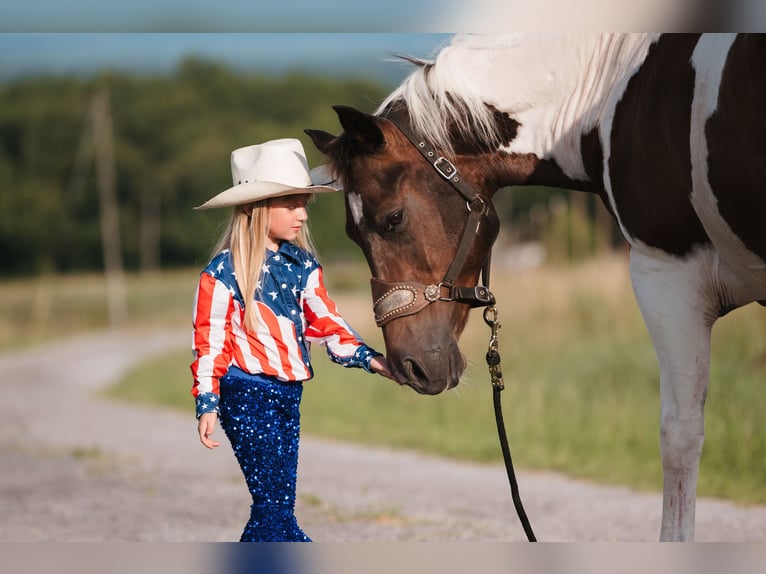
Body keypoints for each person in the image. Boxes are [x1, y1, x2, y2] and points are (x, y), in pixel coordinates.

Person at [190, 138, 392, 542]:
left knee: (275, 507)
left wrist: (373, 360)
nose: (302, 214)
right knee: (274, 507)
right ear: (253, 206)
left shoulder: (304, 266)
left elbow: (327, 324)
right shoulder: (222, 273)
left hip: (289, 396)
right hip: (245, 394)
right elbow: (210, 342)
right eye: (290, 203)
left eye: (304, 203)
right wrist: (207, 402)